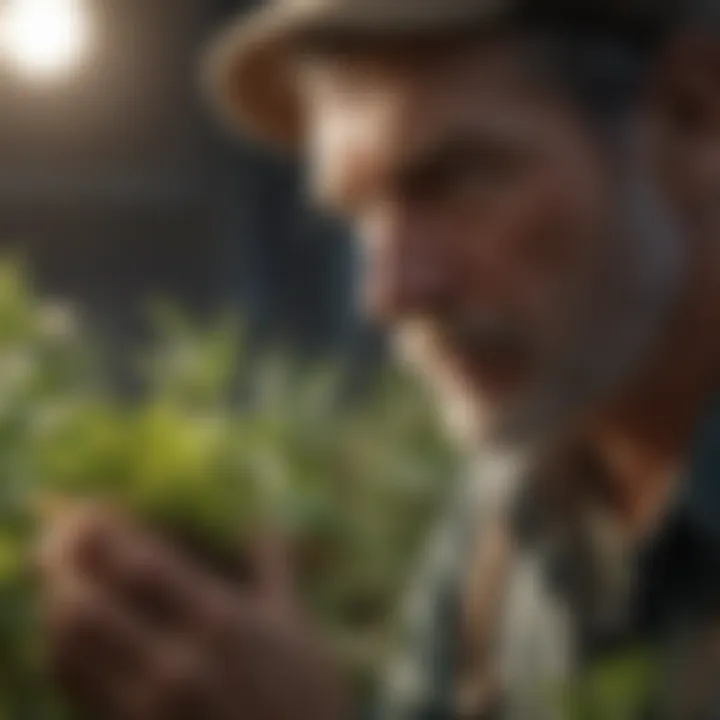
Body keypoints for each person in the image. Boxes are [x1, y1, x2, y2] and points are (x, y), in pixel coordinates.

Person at [40, 0, 720, 717]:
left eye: (460, 181)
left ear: (693, 113)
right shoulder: (505, 525)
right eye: (362, 213)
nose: (391, 291)